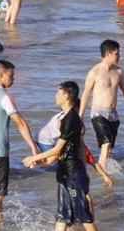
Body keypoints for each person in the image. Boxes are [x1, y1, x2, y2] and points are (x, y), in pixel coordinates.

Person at [22, 82, 99, 231]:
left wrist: (34, 158)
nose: (55, 96)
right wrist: (40, 163)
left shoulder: (71, 120)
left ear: (66, 96)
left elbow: (57, 148)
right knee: (63, 216)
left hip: (73, 174)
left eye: (58, 93)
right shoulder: (65, 119)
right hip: (65, 173)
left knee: (84, 217)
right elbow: (61, 152)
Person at [0, 59, 39, 227]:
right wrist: (33, 148)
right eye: (11, 76)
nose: (13, 79)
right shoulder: (5, 97)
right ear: (0, 75)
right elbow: (20, 123)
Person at [79, 40, 124, 170]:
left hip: (113, 114)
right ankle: (103, 175)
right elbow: (85, 94)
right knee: (106, 144)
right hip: (98, 113)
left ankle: (104, 179)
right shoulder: (94, 72)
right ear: (107, 54)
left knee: (108, 149)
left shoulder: (119, 72)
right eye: (116, 53)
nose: (119, 56)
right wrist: (79, 116)